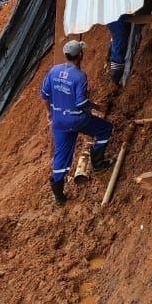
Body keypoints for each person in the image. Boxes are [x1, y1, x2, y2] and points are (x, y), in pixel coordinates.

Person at [40, 38, 113, 205]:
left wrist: (49, 113)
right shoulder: (80, 76)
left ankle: (59, 196)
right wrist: (96, 106)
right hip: (78, 119)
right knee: (105, 130)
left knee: (61, 155)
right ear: (80, 55)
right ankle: (98, 163)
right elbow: (81, 103)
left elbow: (44, 95)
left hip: (59, 121)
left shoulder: (54, 71)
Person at [106, 16, 132, 85]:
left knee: (121, 32)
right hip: (117, 19)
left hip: (118, 17)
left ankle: (116, 72)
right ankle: (116, 76)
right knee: (120, 35)